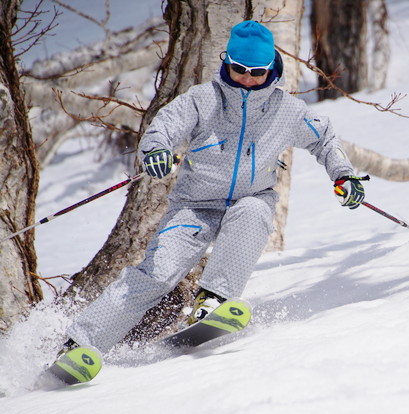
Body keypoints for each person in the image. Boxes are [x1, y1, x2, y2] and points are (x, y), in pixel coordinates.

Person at [57, 21, 366, 365]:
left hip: (252, 197)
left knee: (252, 213)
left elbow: (324, 139)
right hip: (194, 206)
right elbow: (163, 127)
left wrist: (344, 175)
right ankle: (77, 345)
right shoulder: (203, 100)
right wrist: (156, 149)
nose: (247, 78)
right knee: (156, 274)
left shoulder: (286, 110)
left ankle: (213, 301)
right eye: (239, 69)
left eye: (256, 72)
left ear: (271, 70)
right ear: (227, 62)